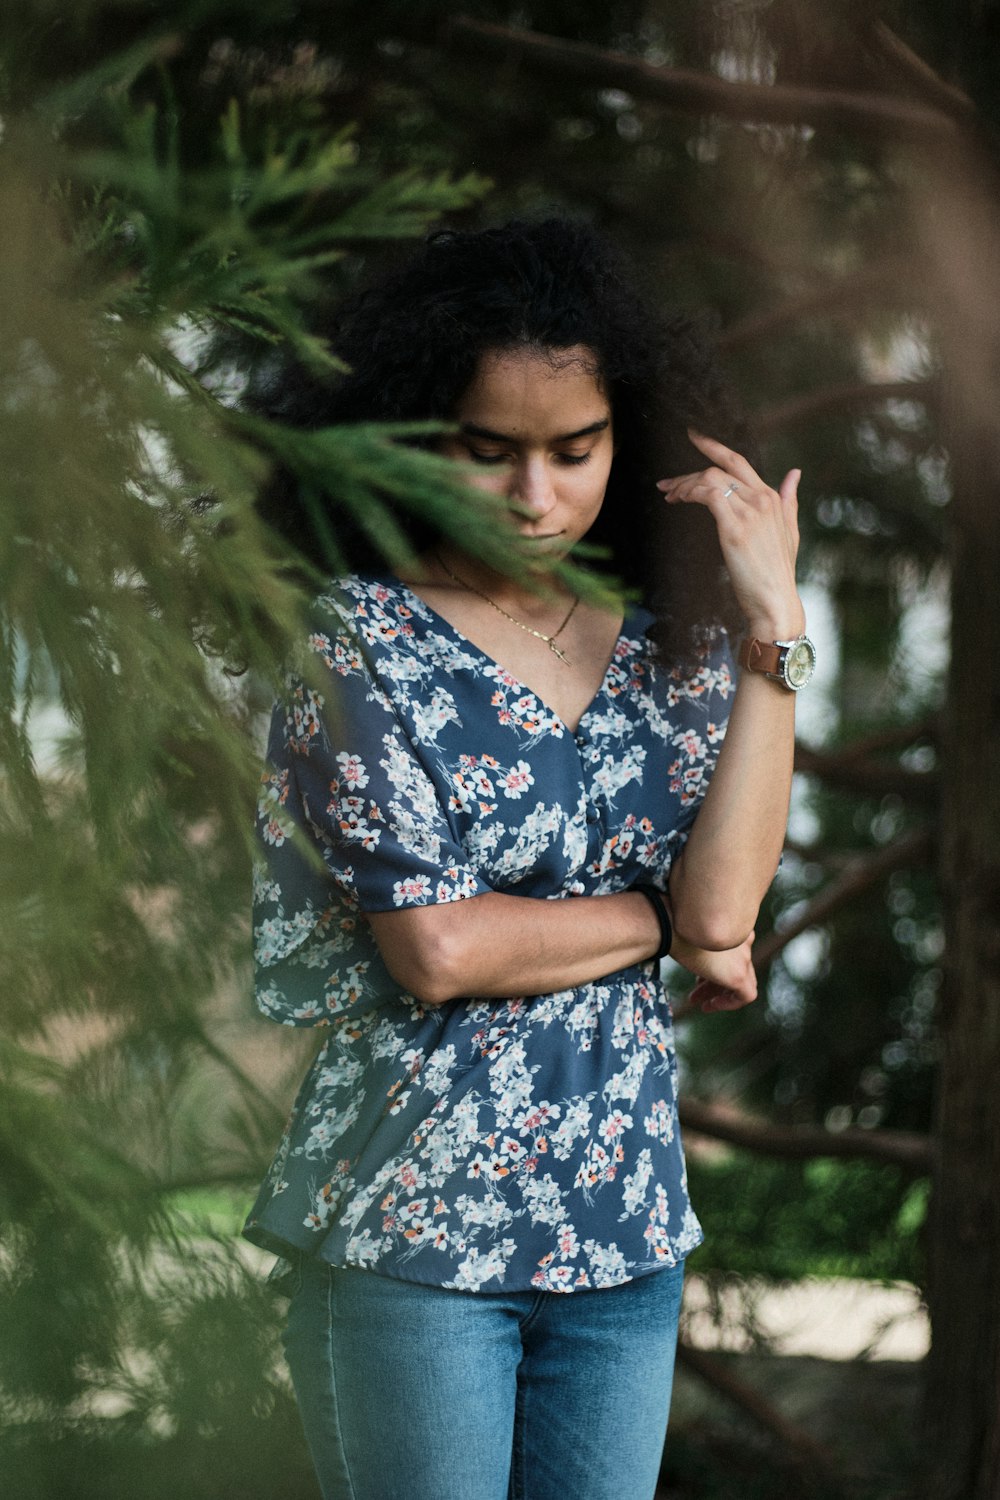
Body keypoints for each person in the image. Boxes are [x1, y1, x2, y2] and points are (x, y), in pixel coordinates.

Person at [242, 218, 812, 1500]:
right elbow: (439, 949)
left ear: (632, 438)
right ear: (419, 435)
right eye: (487, 451)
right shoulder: (362, 641)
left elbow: (728, 906)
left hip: (620, 1238)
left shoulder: (679, 653)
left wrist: (773, 628)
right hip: (413, 1233)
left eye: (574, 449)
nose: (534, 496)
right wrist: (660, 922)